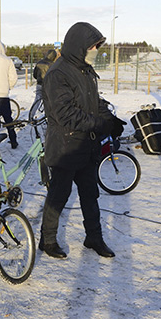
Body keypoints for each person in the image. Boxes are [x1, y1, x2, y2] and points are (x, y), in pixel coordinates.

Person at [39, 22, 125, 259]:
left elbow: (94, 102)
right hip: (65, 147)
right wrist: (100, 124)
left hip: (87, 146)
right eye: (93, 47)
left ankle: (94, 238)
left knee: (90, 194)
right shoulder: (58, 73)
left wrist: (110, 119)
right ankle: (47, 241)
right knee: (58, 196)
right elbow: (65, 114)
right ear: (80, 47)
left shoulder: (85, 70)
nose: (95, 51)